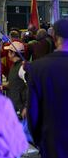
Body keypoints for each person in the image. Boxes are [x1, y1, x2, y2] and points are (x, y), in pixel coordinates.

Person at [27, 18, 68, 158]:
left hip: (51, 142)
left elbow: (33, 112)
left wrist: (40, 140)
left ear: (54, 37)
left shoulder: (38, 68)